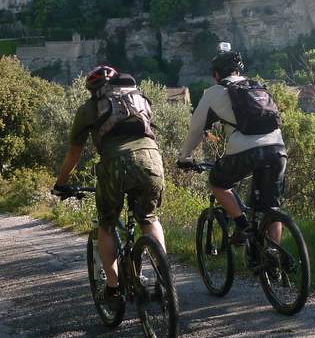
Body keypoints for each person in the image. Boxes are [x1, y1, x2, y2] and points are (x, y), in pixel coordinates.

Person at [53, 65, 166, 308]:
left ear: (92, 89)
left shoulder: (89, 108)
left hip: (115, 163)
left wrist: (61, 183)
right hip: (152, 159)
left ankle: (113, 288)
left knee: (106, 224)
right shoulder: (139, 100)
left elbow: (74, 152)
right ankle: (163, 276)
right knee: (149, 218)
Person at [177, 43, 287, 245]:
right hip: (278, 149)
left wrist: (184, 157)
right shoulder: (258, 86)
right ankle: (274, 260)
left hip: (246, 151)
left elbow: (195, 130)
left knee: (217, 183)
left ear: (216, 75)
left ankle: (242, 225)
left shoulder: (213, 93)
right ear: (239, 70)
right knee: (272, 208)